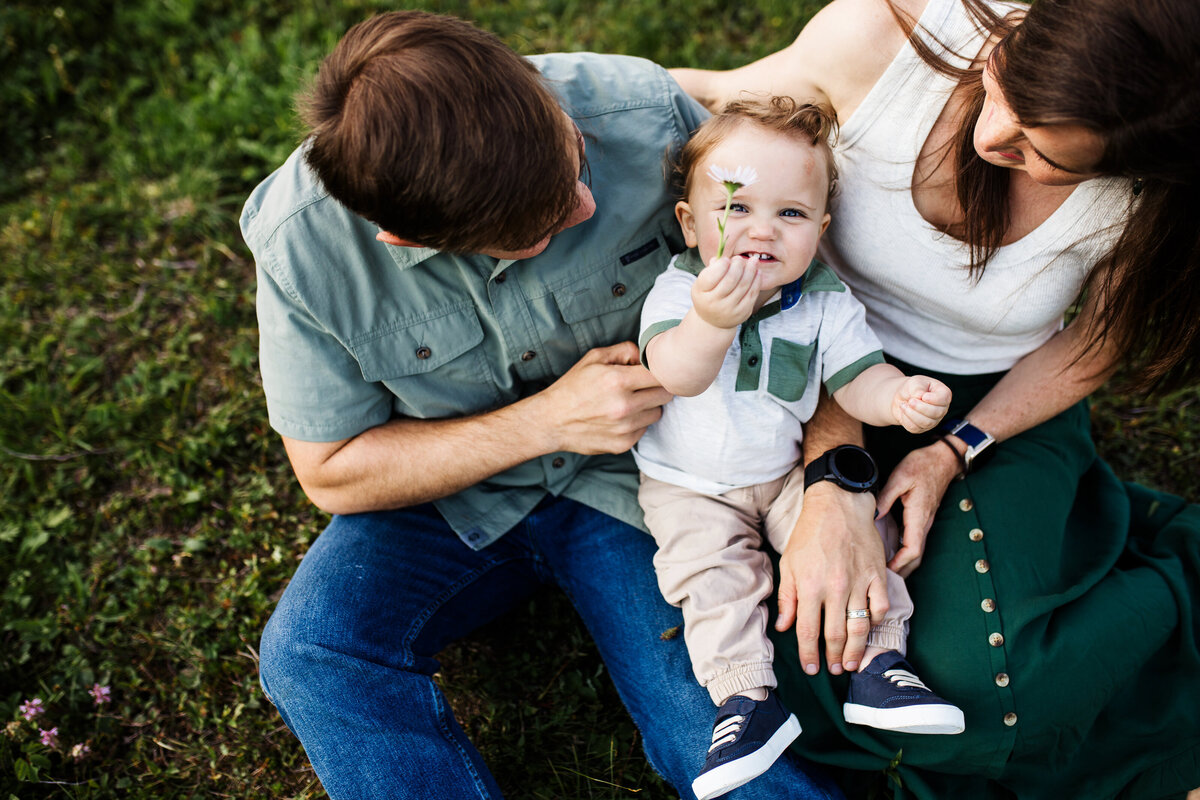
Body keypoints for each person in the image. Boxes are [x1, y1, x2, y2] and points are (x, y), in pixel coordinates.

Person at [239, 10, 844, 800]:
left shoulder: (641, 111)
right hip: (451, 501)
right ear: (404, 239)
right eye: (542, 227)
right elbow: (331, 473)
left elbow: (817, 304)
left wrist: (838, 482)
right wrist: (546, 422)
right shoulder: (302, 246)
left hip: (653, 486)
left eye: (575, 158)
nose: (585, 204)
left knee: (720, 742)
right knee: (311, 653)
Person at [671, 0, 1200, 797]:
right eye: (1004, 92)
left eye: (1044, 156)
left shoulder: (1157, 185)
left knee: (972, 684)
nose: (995, 142)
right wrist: (835, 481)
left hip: (996, 403)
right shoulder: (888, 41)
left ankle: (1163, 567)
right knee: (815, 651)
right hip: (808, 374)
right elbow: (724, 100)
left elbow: (1096, 341)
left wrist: (954, 450)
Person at [632, 97, 963, 800]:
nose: (762, 230)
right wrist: (711, 321)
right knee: (709, 579)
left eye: (790, 214)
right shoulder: (678, 291)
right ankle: (746, 702)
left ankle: (880, 663)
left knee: (859, 536)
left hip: (783, 472)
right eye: (736, 208)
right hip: (685, 485)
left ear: (820, 229)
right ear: (690, 224)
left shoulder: (825, 302)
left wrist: (898, 398)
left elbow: (857, 379)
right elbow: (677, 374)